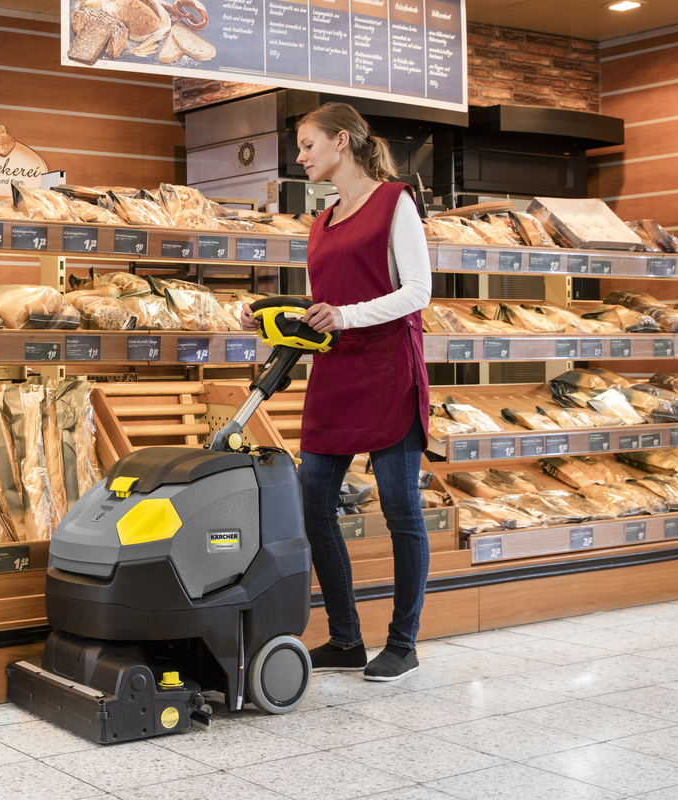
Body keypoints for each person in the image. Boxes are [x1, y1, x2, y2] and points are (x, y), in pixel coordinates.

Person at [241, 102, 431, 681]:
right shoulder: (319, 224)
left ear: (341, 141)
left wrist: (344, 317)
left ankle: (403, 642)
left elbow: (418, 292)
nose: (300, 157)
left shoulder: (395, 202)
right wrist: (270, 316)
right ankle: (346, 637)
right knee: (312, 502)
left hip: (387, 372)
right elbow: (322, 308)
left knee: (401, 508)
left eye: (306, 145)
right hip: (336, 372)